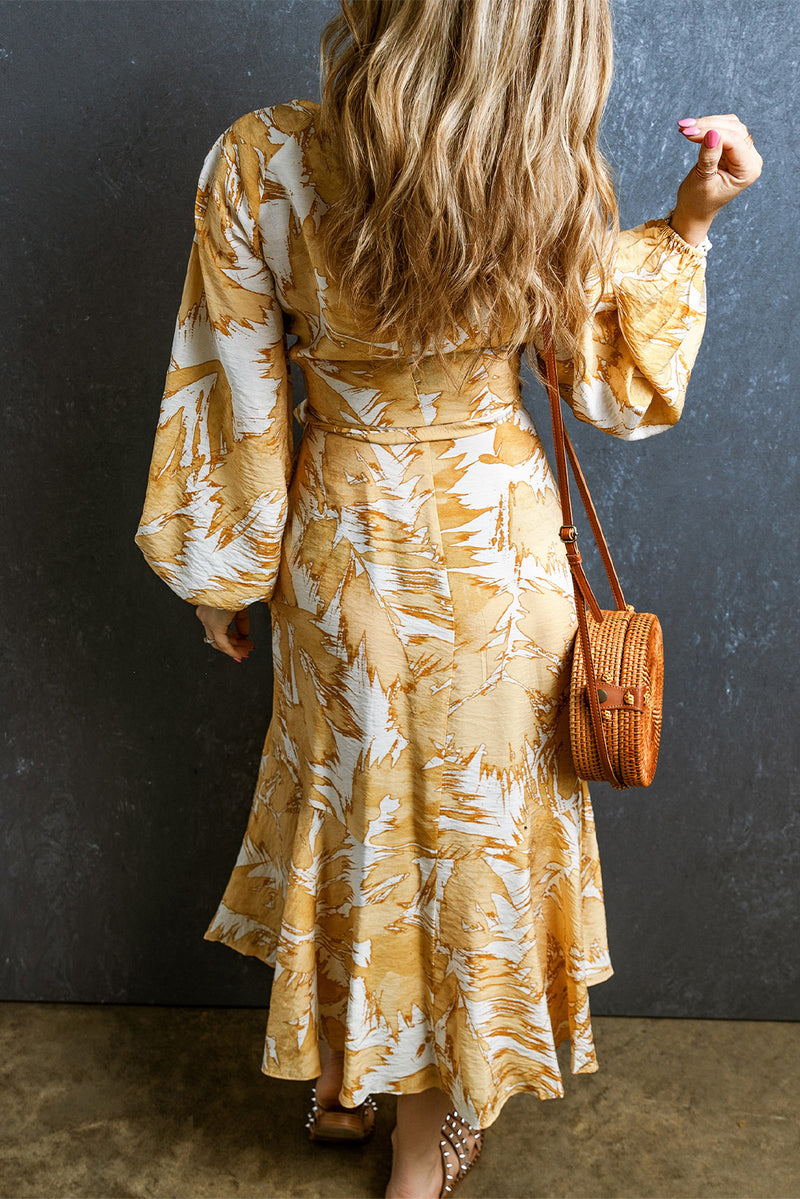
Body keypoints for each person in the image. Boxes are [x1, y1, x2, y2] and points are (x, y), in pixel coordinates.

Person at [133, 2, 762, 1195]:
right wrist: (685, 226)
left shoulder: (262, 152)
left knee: (358, 801)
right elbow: (607, 391)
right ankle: (423, 1154)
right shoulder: (548, 180)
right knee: (464, 844)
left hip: (344, 545)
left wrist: (224, 574)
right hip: (500, 553)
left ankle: (344, 1083)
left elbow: (235, 378)